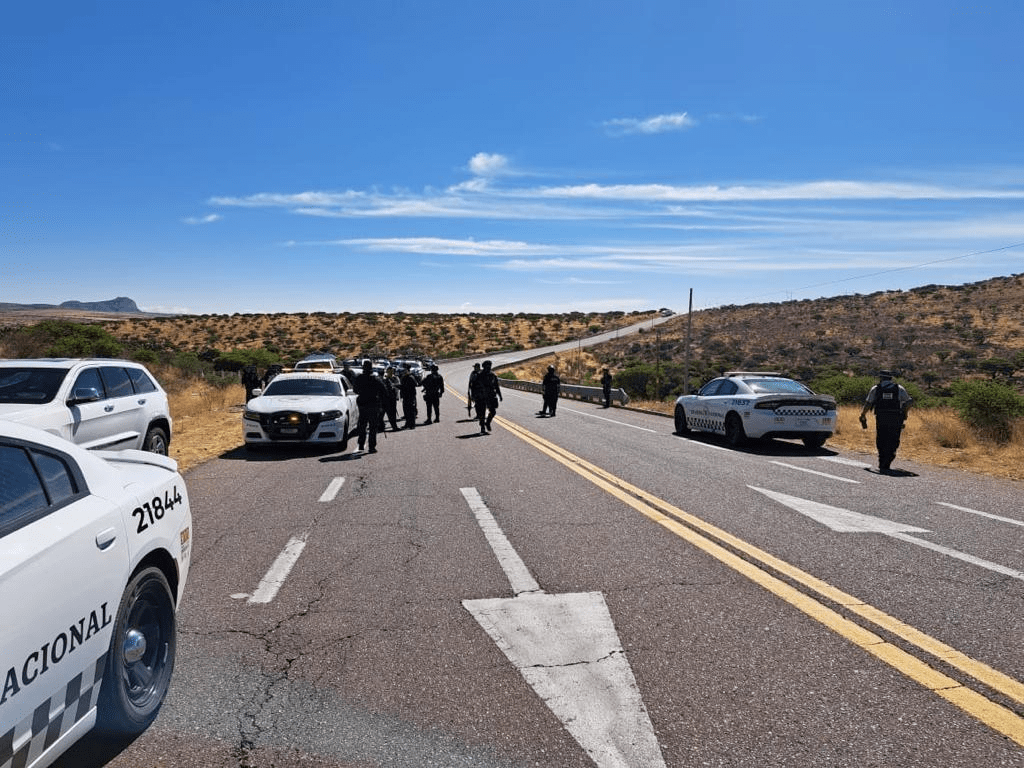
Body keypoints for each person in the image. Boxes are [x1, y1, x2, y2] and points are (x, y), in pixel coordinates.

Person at [860, 370, 913, 473]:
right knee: (894, 439)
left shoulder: (876, 388)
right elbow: (909, 402)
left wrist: (863, 414)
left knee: (881, 438)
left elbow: (868, 403)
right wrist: (905, 413)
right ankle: (889, 458)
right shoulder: (899, 388)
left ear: (881, 378)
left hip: (881, 417)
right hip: (896, 418)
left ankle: (882, 461)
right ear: (890, 378)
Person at [352, 360, 387, 453]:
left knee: (362, 425)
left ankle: (361, 444)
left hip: (363, 404)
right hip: (373, 405)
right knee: (373, 427)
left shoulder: (359, 378)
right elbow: (384, 391)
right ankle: (371, 447)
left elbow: (355, 390)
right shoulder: (375, 379)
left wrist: (362, 393)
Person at [471, 360, 502, 434]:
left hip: (491, 395)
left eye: (489, 366)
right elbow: (473, 386)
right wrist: (473, 396)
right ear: (483, 367)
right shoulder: (479, 375)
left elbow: (497, 386)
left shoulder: (493, 375)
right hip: (481, 396)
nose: (488, 367)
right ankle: (482, 427)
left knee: (493, 412)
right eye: (486, 366)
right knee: (482, 413)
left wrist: (500, 395)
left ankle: (487, 422)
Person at [379, 366, 400, 431]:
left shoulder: (395, 378)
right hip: (385, 399)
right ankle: (380, 427)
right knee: (381, 414)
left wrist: (396, 396)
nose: (390, 372)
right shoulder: (384, 379)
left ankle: (394, 426)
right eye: (389, 371)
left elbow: (397, 388)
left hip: (392, 399)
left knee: (392, 414)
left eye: (391, 371)